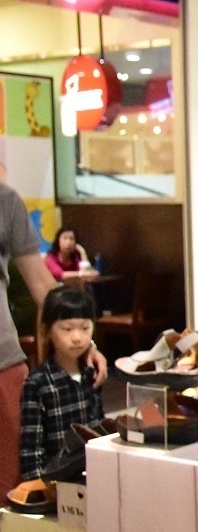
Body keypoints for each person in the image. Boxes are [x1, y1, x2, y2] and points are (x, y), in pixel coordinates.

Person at [0, 182, 106, 506]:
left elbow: (42, 284)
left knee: (16, 488)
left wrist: (85, 342)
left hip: (3, 363)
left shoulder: (6, 201)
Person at [19, 286, 103, 482]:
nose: (77, 337)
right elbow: (30, 449)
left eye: (85, 328)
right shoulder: (38, 382)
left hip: (93, 473)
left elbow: (99, 427)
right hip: (56, 480)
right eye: (66, 329)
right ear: (48, 331)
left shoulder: (92, 373)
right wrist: (37, 486)